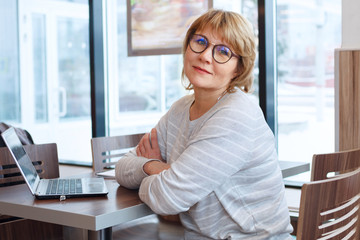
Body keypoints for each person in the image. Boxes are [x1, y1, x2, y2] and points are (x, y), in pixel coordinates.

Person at [115, 9, 293, 240]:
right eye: (200, 42)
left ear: (238, 68)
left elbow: (167, 197)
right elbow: (122, 169)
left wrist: (167, 176)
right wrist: (154, 166)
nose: (206, 56)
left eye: (223, 52)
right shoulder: (180, 109)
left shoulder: (236, 114)